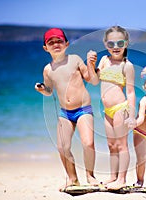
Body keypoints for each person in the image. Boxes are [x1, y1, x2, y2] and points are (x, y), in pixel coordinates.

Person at [34, 28, 99, 191]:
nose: (55, 44)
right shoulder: (47, 69)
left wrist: (91, 65)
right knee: (63, 147)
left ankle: (90, 176)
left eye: (59, 41)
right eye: (51, 42)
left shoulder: (75, 60)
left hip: (83, 108)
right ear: (45, 48)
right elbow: (49, 91)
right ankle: (73, 178)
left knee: (88, 143)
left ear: (67, 44)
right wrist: (43, 90)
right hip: (65, 113)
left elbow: (92, 80)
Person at [88, 26, 136, 189]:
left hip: (120, 108)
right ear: (105, 44)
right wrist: (90, 64)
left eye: (120, 43)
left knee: (122, 145)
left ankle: (121, 179)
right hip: (107, 111)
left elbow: (130, 92)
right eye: (111, 43)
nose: (115, 47)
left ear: (126, 43)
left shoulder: (126, 65)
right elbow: (94, 81)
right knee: (111, 145)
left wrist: (131, 115)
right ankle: (113, 176)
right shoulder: (104, 60)